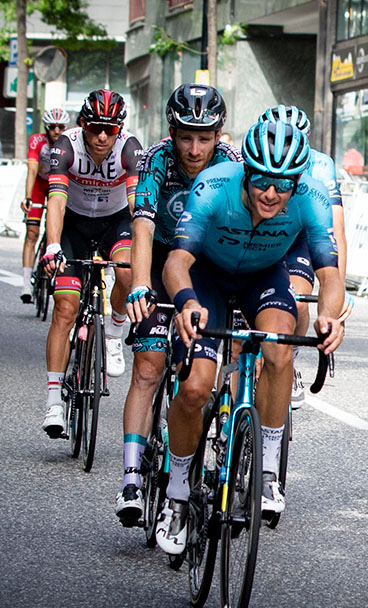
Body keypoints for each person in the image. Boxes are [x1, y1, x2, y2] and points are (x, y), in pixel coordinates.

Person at [155, 118, 344, 555]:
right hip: (208, 278)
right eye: (261, 179)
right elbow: (176, 261)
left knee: (279, 348)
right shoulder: (213, 185)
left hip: (264, 275)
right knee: (197, 385)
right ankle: (178, 495)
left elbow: (330, 276)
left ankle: (268, 472)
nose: (271, 193)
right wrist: (186, 302)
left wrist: (330, 317)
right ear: (246, 172)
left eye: (283, 184)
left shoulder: (311, 197)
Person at [116, 84, 239, 527]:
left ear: (218, 135)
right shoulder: (156, 160)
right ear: (172, 132)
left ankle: (221, 435)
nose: (194, 148)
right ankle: (131, 476)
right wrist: (140, 286)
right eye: (186, 137)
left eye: (204, 138)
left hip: (206, 265)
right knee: (148, 365)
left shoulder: (232, 165)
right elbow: (143, 228)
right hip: (161, 259)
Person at [39, 89, 144, 438]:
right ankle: (54, 401)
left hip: (115, 221)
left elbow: (135, 206)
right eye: (96, 127)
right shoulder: (65, 147)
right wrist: (53, 245)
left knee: (128, 271)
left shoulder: (129, 148)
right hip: (74, 224)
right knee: (64, 309)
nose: (102, 136)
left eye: (110, 129)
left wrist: (145, 249)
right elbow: (55, 200)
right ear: (83, 123)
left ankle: (114, 330)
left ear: (120, 129)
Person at [259, 104, 349, 408]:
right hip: (259, 232)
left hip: (299, 234)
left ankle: (290, 359)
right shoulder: (252, 161)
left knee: (297, 299)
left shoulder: (320, 165)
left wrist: (338, 291)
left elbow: (335, 230)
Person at [19, 108, 69, 302]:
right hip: (40, 185)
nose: (56, 131)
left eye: (60, 127)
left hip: (61, 185)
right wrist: (27, 197)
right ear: (46, 128)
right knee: (31, 233)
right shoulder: (37, 141)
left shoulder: (69, 142)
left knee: (59, 231)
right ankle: (25, 283)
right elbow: (32, 170)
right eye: (52, 127)